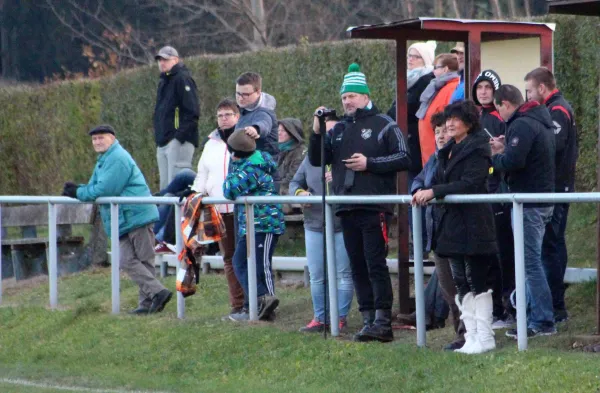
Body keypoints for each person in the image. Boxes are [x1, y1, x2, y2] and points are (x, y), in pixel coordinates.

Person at [309, 63, 411, 343]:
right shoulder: (339, 128)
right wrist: (317, 132)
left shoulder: (384, 124)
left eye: (352, 96)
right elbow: (318, 159)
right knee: (357, 265)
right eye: (344, 97)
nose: (347, 101)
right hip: (346, 204)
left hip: (374, 206)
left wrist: (370, 163)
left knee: (375, 263)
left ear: (365, 96)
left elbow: (405, 158)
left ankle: (382, 322)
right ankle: (367, 318)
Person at [414, 100, 498, 354]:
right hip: (452, 224)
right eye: (447, 119)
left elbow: (471, 182)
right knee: (460, 280)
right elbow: (439, 179)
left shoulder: (478, 148)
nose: (449, 124)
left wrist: (434, 192)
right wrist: (427, 190)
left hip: (474, 223)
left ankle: (485, 336)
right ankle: (471, 336)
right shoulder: (447, 150)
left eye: (455, 119)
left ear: (469, 123)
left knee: (476, 279)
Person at [62, 125, 172, 315]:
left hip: (137, 215)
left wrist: (77, 192)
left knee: (142, 260)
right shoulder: (105, 159)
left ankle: (150, 302)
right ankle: (155, 296)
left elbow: (104, 190)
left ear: (112, 138)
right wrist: (79, 189)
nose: (97, 142)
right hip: (124, 218)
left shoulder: (117, 158)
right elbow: (96, 186)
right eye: (94, 139)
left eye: (101, 138)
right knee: (127, 260)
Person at [490, 84, 557, 339]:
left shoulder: (521, 124)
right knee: (533, 262)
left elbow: (515, 162)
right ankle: (532, 317)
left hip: (528, 204)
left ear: (505, 104)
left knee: (530, 264)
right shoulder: (541, 120)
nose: (500, 116)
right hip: (543, 199)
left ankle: (542, 321)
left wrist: (496, 156)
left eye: (499, 109)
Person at [291, 115, 354, 333]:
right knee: (317, 274)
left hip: (341, 223)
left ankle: (340, 317)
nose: (331, 137)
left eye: (334, 132)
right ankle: (320, 318)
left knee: (343, 273)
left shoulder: (349, 156)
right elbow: (295, 183)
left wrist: (338, 178)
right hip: (314, 223)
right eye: (326, 133)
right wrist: (301, 195)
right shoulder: (310, 157)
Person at [525, 67, 578, 323]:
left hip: (558, 186)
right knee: (552, 244)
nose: (528, 96)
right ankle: (555, 304)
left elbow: (552, 146)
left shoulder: (557, 110)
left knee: (552, 245)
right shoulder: (557, 108)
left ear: (542, 89)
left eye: (530, 91)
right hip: (557, 186)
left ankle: (556, 306)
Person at [397, 112, 453, 332]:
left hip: (452, 222)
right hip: (437, 223)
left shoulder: (453, 157)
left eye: (444, 131)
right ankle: (427, 314)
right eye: (436, 132)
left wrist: (429, 190)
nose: (439, 136)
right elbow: (419, 179)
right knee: (442, 270)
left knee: (447, 271)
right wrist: (419, 190)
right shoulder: (434, 158)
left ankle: (431, 315)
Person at [223, 129, 285, 322]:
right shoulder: (255, 162)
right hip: (250, 224)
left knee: (260, 265)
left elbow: (228, 189)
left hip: (264, 223)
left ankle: (264, 302)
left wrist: (233, 166)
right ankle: (257, 303)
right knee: (240, 262)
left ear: (235, 153)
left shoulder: (250, 170)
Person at [190, 98, 244, 317]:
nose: (223, 119)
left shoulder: (243, 138)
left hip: (241, 207)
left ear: (237, 116)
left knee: (244, 255)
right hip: (218, 209)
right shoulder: (210, 143)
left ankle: (256, 301)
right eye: (220, 115)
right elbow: (203, 173)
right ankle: (238, 303)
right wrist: (196, 193)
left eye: (228, 114)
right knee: (229, 257)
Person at [472, 69, 515, 329]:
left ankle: (506, 310)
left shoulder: (502, 119)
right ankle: (494, 310)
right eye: (480, 87)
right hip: (479, 193)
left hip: (498, 194)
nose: (484, 92)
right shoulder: (473, 117)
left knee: (503, 256)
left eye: (489, 87)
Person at [153, 46, 200, 190]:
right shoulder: (164, 81)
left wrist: (178, 138)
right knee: (165, 188)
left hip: (179, 142)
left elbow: (193, 112)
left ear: (176, 60)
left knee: (176, 187)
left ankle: (182, 214)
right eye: (160, 60)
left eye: (165, 59)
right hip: (163, 142)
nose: (162, 63)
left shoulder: (183, 79)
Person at [387, 41, 436, 177]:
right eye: (409, 55)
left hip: (416, 143)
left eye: (416, 56)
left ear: (426, 60)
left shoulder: (427, 81)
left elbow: (409, 108)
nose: (411, 59)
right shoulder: (407, 79)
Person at [417, 53, 461, 167]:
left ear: (445, 69)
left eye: (435, 68)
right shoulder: (440, 87)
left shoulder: (451, 88)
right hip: (432, 152)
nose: (433, 72)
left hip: (440, 154)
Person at [234, 72, 279, 159]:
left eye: (245, 94)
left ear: (258, 92)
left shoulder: (264, 112)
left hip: (260, 168)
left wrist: (255, 129)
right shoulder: (245, 109)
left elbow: (264, 123)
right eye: (238, 93)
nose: (240, 98)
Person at [277, 118, 306, 212]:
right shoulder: (281, 151)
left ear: (292, 132)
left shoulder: (301, 152)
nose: (279, 133)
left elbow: (293, 178)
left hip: (294, 199)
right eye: (278, 130)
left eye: (283, 130)